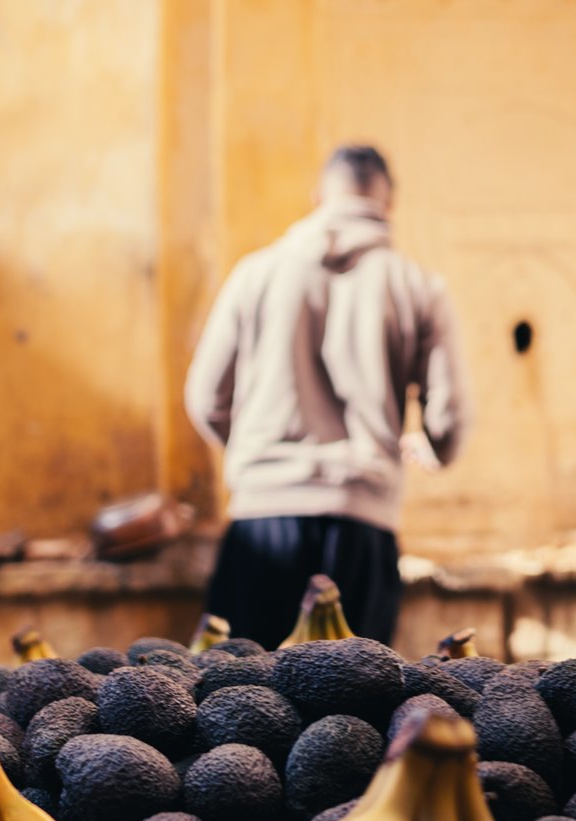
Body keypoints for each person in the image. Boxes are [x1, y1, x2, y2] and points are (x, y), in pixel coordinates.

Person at [185, 144, 467, 646]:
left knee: (240, 705)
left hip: (261, 521)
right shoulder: (418, 286)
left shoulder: (255, 273)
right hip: (361, 523)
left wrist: (260, 453)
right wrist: (434, 445)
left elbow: (206, 398)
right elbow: (449, 418)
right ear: (389, 204)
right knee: (352, 716)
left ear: (318, 197)